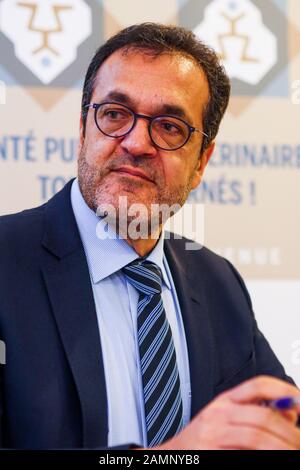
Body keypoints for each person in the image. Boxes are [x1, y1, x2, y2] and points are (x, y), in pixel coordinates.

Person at [0, 23, 299, 451]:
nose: (137, 143)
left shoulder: (219, 281)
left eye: (169, 126)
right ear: (83, 129)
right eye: (115, 114)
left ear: (202, 162)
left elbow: (277, 415)